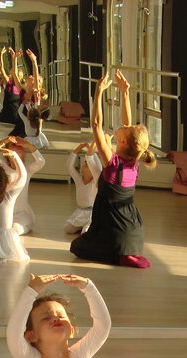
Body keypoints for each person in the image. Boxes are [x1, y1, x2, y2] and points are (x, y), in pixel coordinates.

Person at [70, 70, 157, 269]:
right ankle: (124, 251)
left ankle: (117, 253)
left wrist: (98, 93)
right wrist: (125, 92)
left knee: (78, 246)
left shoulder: (112, 162)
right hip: (134, 232)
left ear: (124, 141)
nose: (124, 125)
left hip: (113, 230)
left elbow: (96, 124)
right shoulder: (134, 161)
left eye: (126, 128)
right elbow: (127, 123)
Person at [0, 136, 44, 236]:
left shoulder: (27, 169)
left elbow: (41, 161)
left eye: (20, 146)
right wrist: (4, 141)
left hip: (22, 214)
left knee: (14, 231)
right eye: (13, 144)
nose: (18, 145)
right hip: (5, 212)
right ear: (6, 151)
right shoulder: (3, 167)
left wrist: (29, 146)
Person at [65, 142, 102, 234]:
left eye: (89, 164)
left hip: (91, 213)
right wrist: (75, 152)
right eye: (85, 163)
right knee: (67, 229)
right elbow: (69, 167)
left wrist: (91, 152)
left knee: (85, 232)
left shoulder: (95, 181)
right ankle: (81, 226)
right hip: (80, 211)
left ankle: (87, 227)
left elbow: (99, 168)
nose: (86, 163)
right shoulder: (78, 179)